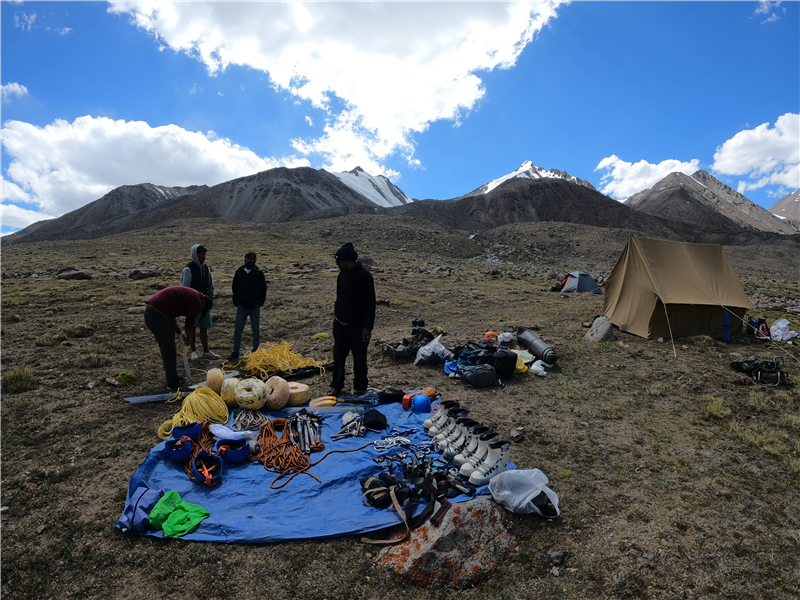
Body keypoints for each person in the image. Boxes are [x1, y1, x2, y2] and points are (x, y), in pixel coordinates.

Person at [329, 242, 376, 397]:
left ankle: (360, 387)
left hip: (358, 326)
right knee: (338, 355)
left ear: (347, 261)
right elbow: (339, 297)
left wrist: (368, 326)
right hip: (340, 323)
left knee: (359, 357)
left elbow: (370, 303)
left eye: (338, 262)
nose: (337, 265)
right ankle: (336, 384)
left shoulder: (364, 276)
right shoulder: (341, 275)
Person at [144, 286, 213, 391]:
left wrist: (179, 332)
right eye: (201, 310)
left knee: (168, 348)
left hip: (157, 312)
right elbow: (189, 324)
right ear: (203, 303)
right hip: (156, 313)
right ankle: (172, 383)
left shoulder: (194, 297)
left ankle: (174, 378)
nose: (199, 312)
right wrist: (189, 338)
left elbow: (171, 316)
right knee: (168, 349)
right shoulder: (196, 299)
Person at [180, 244, 219, 359]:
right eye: (202, 254)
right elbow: (185, 288)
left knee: (204, 327)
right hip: (193, 304)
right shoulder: (188, 270)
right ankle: (193, 351)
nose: (204, 256)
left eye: (205, 254)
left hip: (205, 304)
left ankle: (206, 351)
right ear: (195, 255)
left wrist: (211, 297)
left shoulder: (206, 268)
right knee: (192, 327)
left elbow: (210, 284)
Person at [228, 251, 267, 361]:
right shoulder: (239, 272)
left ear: (255, 260)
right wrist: (236, 302)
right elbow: (234, 288)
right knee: (238, 330)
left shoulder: (259, 273)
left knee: (255, 331)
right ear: (245, 259)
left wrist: (260, 302)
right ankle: (235, 352)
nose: (250, 261)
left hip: (255, 306)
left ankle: (255, 351)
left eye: (252, 259)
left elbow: (263, 289)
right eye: (249, 258)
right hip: (242, 306)